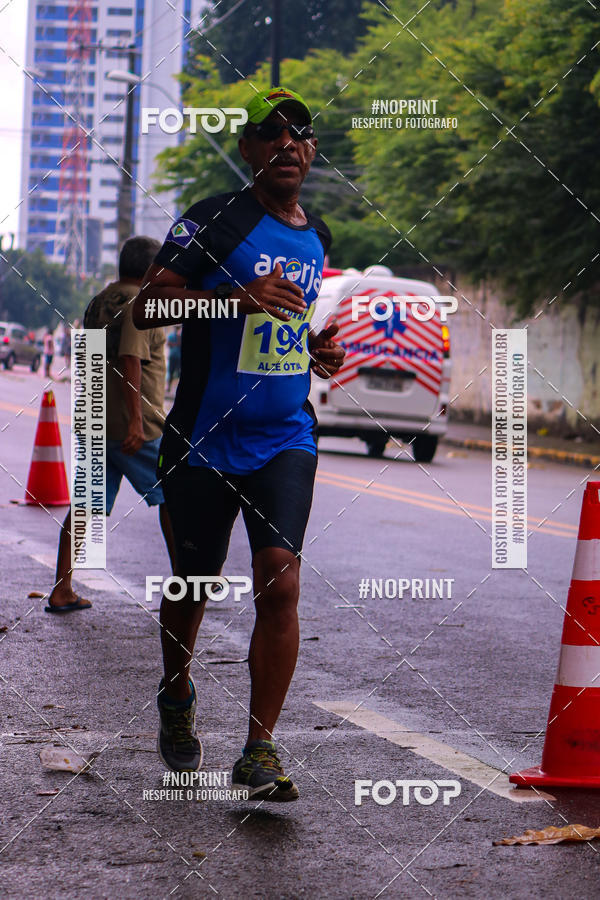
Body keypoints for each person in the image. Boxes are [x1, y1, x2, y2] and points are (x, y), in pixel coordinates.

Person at [133, 87, 345, 800]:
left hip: (286, 436)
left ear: (312, 151)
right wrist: (235, 298)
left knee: (280, 578)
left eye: (300, 133)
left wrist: (313, 345)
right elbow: (151, 303)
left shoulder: (318, 237)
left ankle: (259, 749)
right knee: (193, 581)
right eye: (271, 133)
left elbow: (283, 319)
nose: (288, 143)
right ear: (250, 149)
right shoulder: (211, 220)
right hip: (204, 437)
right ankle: (176, 687)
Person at [45, 236, 176, 612]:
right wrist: (136, 422)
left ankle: (61, 588)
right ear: (153, 271)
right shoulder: (143, 303)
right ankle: (187, 582)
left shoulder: (97, 302)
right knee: (175, 496)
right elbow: (131, 359)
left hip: (95, 421)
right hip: (137, 428)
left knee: (84, 506)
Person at [166, 325, 181, 393]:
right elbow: (168, 344)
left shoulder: (180, 336)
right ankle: (169, 387)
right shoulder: (171, 336)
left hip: (178, 357)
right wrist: (176, 344)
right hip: (173, 357)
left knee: (178, 373)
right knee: (171, 372)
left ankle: (176, 388)